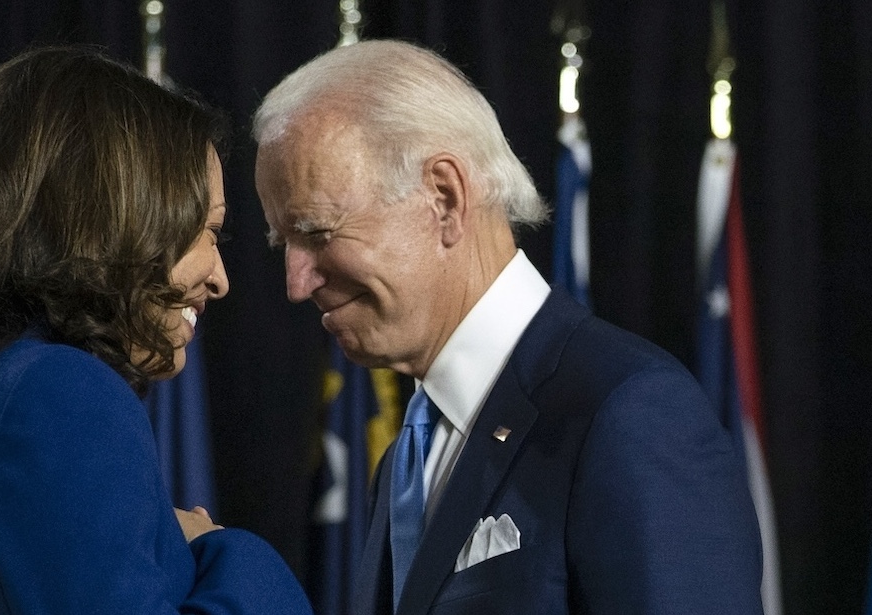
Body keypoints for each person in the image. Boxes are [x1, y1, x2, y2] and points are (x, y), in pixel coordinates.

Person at [253, 39, 763, 614]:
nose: (296, 282)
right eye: (284, 245)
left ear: (444, 199)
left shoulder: (628, 414)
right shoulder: (403, 462)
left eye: (317, 233)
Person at [0, 46, 311, 614]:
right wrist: (220, 551)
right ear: (115, 221)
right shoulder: (57, 395)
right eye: (207, 231)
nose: (221, 278)